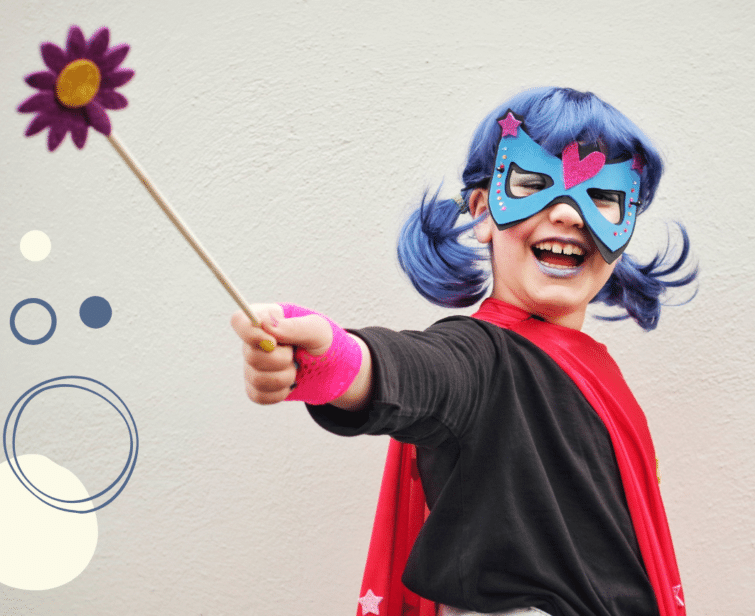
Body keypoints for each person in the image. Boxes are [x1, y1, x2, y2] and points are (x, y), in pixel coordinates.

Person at [230, 87, 697, 616]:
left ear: (624, 226)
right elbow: (425, 371)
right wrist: (334, 360)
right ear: (482, 213)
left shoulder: (596, 370)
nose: (568, 215)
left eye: (603, 197)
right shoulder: (482, 357)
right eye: (533, 183)